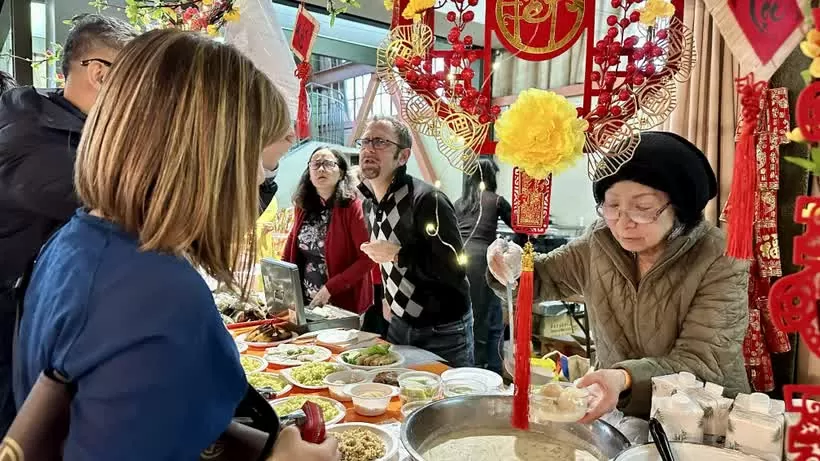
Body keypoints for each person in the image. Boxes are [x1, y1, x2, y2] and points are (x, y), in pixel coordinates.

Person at [13, 29, 339, 461]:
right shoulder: (157, 293)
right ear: (210, 156)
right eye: (258, 162)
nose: (258, 182)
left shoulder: (71, 244)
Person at [488, 131, 750, 421]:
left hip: (703, 420)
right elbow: (540, 279)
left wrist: (624, 378)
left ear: (680, 208)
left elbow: (702, 362)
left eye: (642, 208)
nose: (624, 224)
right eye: (612, 206)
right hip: (620, 410)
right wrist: (510, 264)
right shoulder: (599, 242)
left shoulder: (719, 256)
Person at [0, 14, 136, 435]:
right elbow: (138, 211)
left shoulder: (61, 127)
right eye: (137, 83)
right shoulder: (37, 142)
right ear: (99, 74)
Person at [357, 115, 474, 367]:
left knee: (446, 391)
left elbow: (454, 268)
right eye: (365, 141)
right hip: (399, 323)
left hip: (442, 330)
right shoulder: (369, 204)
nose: (369, 149)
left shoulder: (427, 199)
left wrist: (398, 254)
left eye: (380, 142)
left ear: (403, 156)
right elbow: (387, 264)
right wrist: (388, 298)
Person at [282, 147, 374, 313]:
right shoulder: (303, 206)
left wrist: (331, 288)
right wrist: (280, 277)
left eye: (328, 164)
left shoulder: (352, 208)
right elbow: (290, 248)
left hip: (342, 303)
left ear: (341, 172)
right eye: (315, 164)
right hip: (306, 301)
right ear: (309, 172)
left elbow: (367, 259)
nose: (321, 169)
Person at [454, 157, 516, 375]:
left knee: (467, 313)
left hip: (458, 258)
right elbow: (520, 227)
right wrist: (513, 250)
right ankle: (479, 369)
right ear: (491, 177)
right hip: (482, 261)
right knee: (483, 316)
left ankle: (475, 364)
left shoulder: (459, 202)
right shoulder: (496, 200)